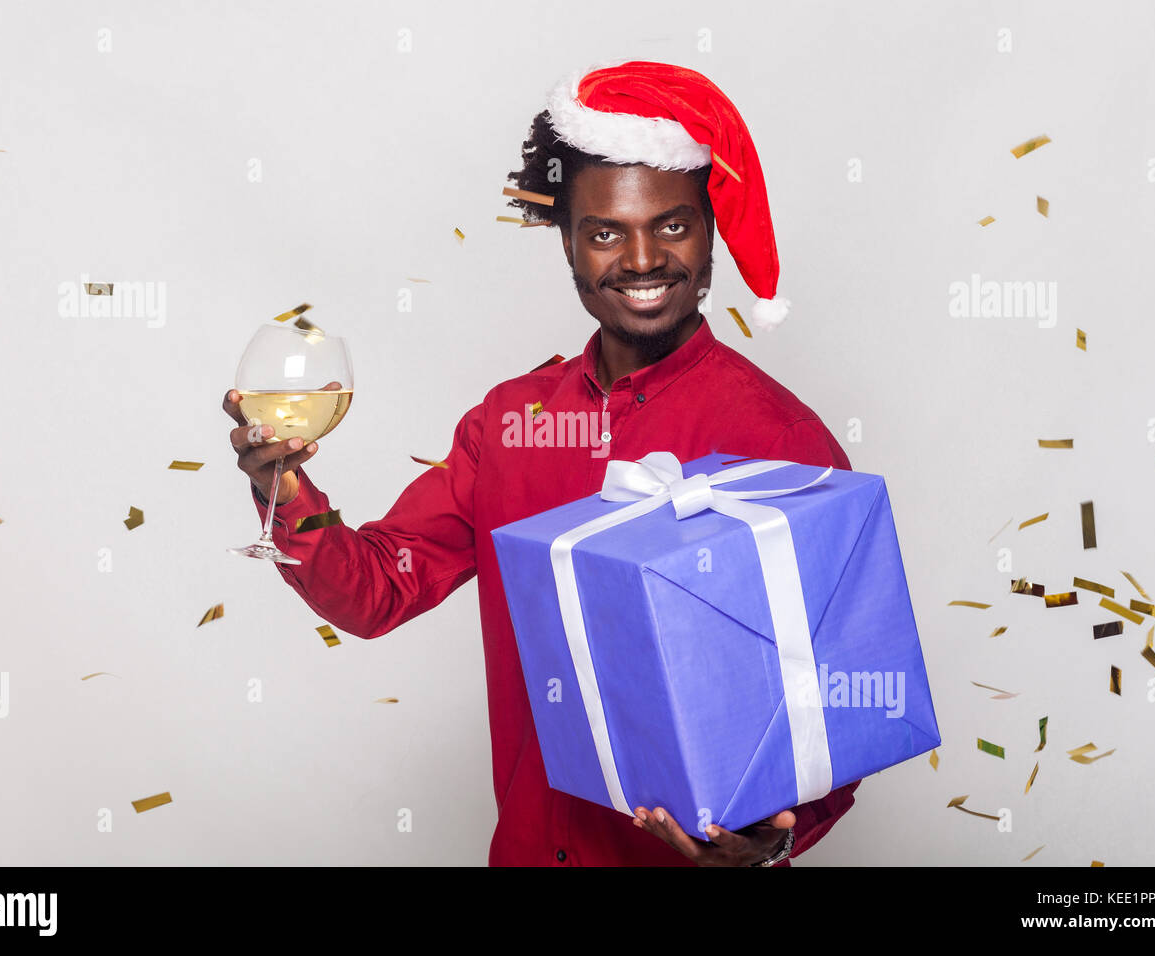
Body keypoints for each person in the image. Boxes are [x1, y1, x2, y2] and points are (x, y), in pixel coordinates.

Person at [223, 60, 860, 866]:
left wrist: (775, 841)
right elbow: (377, 591)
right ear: (567, 243)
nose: (640, 259)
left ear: (709, 235)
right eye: (605, 232)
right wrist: (282, 485)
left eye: (671, 226)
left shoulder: (782, 440)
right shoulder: (510, 423)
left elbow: (841, 694)